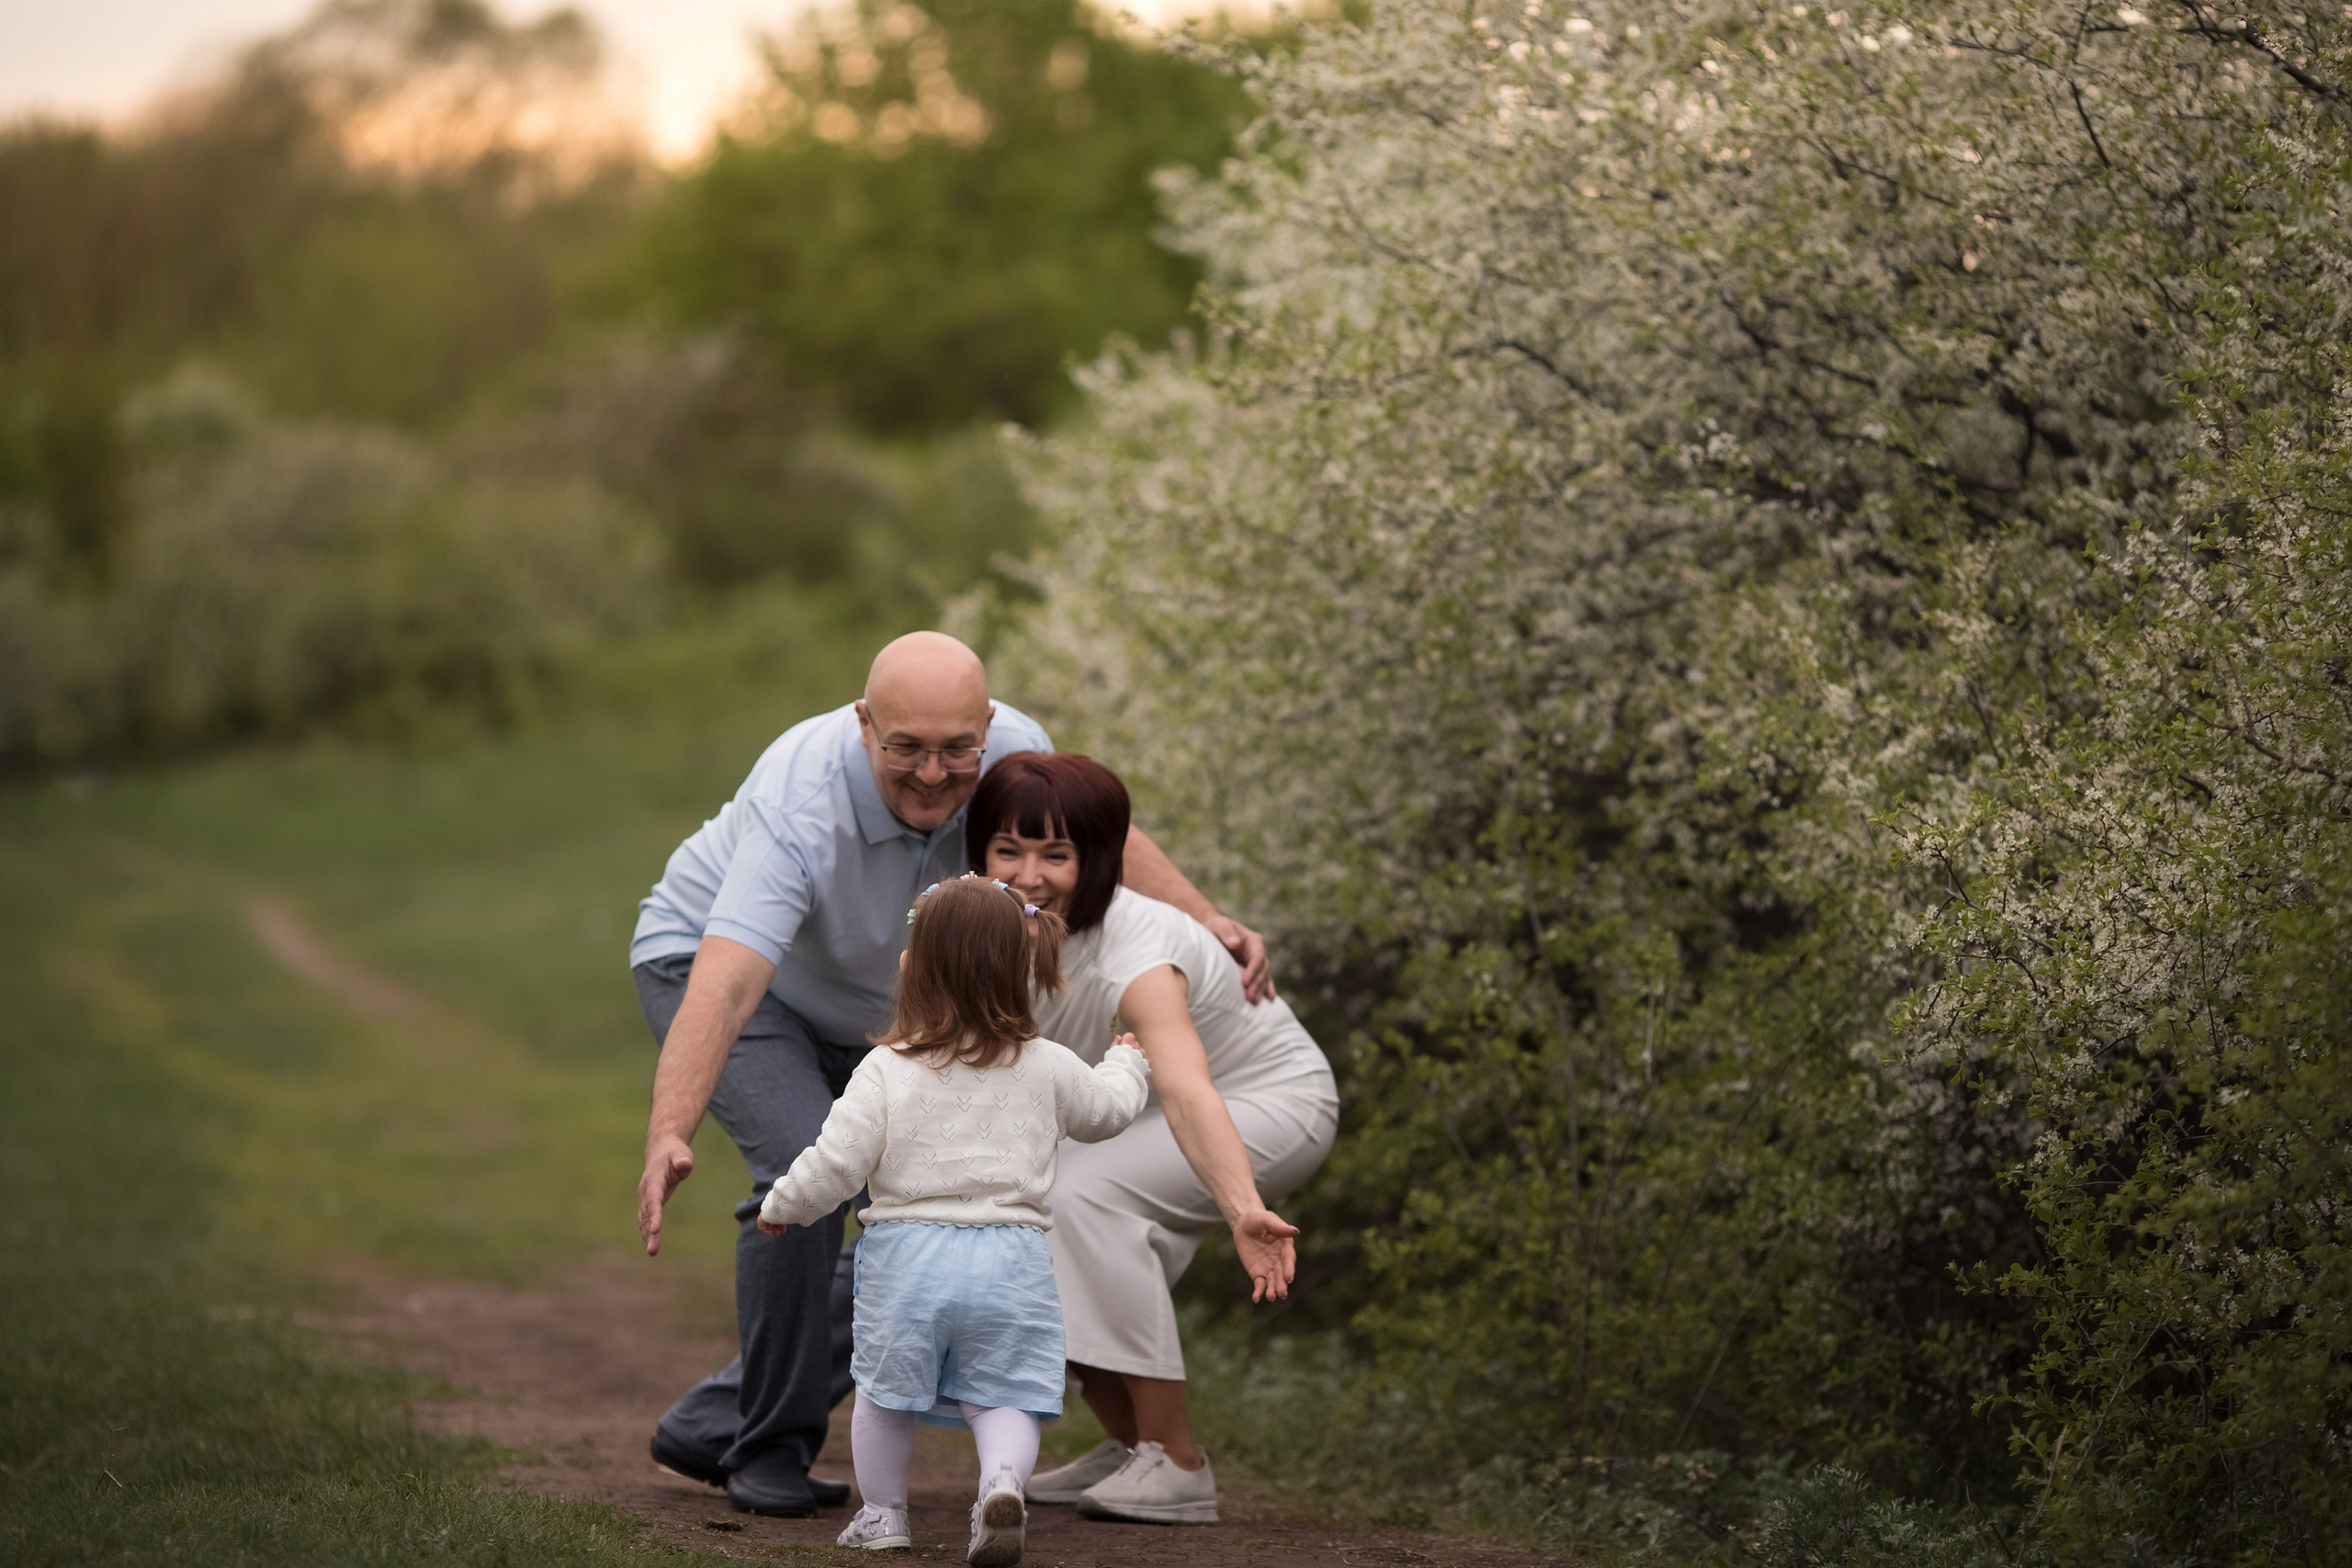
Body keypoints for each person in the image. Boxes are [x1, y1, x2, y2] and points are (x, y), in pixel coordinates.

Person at [630, 631, 1271, 1517]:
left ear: (989, 725)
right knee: (800, 1169)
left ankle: (717, 1420)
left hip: (885, 1007)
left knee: (934, 1202)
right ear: (864, 725)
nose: (934, 774)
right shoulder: (801, 797)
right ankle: (768, 1445)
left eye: (955, 749)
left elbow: (1095, 835)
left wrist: (1206, 916)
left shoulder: (1010, 746)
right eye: (906, 748)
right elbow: (730, 979)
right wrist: (671, 1126)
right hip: (736, 981)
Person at [967, 753, 1340, 1526]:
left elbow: (1184, 1084)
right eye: (1009, 849)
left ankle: (1175, 1464)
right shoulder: (996, 926)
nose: (1029, 875)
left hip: (1271, 1104)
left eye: (1057, 855)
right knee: (1028, 1206)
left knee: (1077, 1194)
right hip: (1143, 1108)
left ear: (1098, 859)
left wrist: (1242, 1208)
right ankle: (1129, 1442)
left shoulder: (1136, 950)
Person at [757, 874, 1151, 1566]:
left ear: (917, 967)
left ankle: (882, 1513)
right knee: (1003, 1396)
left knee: (883, 1394)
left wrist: (785, 1204)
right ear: (1018, 971)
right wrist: (1127, 1063)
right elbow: (1106, 1113)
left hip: (907, 1258)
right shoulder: (1048, 1064)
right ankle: (1001, 1484)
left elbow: (836, 1160)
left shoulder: (885, 1068)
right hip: (1012, 1259)